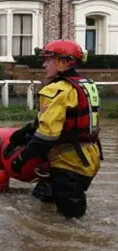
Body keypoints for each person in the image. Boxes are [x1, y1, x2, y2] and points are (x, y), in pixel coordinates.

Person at [7, 39, 102, 219]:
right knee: (43, 202)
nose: (44, 65)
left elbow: (46, 137)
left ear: (64, 62)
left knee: (70, 219)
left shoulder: (59, 90)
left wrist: (21, 157)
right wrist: (22, 134)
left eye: (48, 60)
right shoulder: (85, 84)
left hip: (69, 162)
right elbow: (55, 120)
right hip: (89, 156)